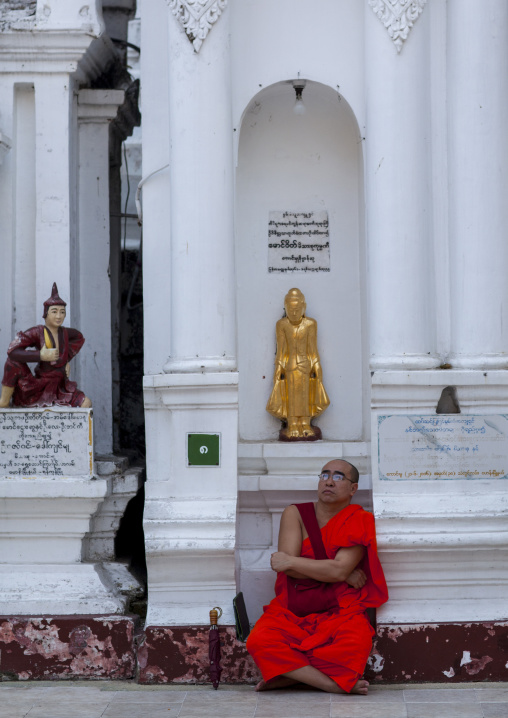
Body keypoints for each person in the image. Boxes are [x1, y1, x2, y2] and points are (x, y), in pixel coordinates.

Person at [246, 459, 388, 695]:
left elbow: (333, 570)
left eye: (339, 477)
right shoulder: (296, 514)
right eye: (324, 475)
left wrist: (293, 560)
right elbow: (291, 571)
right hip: (291, 609)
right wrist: (335, 571)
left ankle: (292, 676)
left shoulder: (358, 519)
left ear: (353, 489)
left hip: (339, 611)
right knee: (259, 641)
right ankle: (332, 684)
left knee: (356, 642)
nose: (329, 482)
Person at [0, 283, 92, 409]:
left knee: (86, 403)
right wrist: (40, 355)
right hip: (39, 386)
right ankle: (3, 402)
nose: (59, 316)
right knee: (12, 363)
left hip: (61, 387)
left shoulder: (65, 333)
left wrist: (65, 360)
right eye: (54, 312)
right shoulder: (37, 332)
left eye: (62, 312)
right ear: (46, 314)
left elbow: (79, 337)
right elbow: (12, 351)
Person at [266, 288, 329, 439]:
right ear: (285, 308)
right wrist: (278, 367)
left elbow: (313, 349)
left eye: (297, 309)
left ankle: (305, 423)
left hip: (305, 364)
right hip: (290, 365)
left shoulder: (310, 324)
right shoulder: (282, 325)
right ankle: (293, 423)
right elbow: (281, 350)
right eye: (290, 309)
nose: (294, 313)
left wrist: (317, 365)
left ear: (304, 308)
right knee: (292, 395)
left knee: (305, 394)